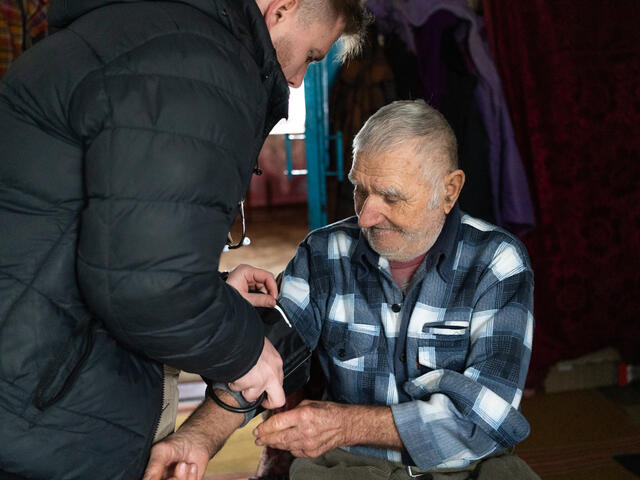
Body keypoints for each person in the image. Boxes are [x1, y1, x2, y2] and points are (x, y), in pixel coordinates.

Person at [0, 0, 368, 478]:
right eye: (312, 56)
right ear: (282, 8)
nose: (298, 79)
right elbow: (147, 285)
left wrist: (206, 289)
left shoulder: (151, 33)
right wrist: (245, 351)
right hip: (36, 396)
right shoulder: (198, 61)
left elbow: (114, 247)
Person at [159, 99, 538, 479]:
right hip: (349, 466)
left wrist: (347, 424)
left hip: (467, 467)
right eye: (360, 190)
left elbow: (486, 419)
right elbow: (267, 357)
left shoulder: (496, 262)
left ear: (450, 191)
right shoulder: (325, 252)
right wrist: (198, 438)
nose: (366, 216)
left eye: (391, 197)